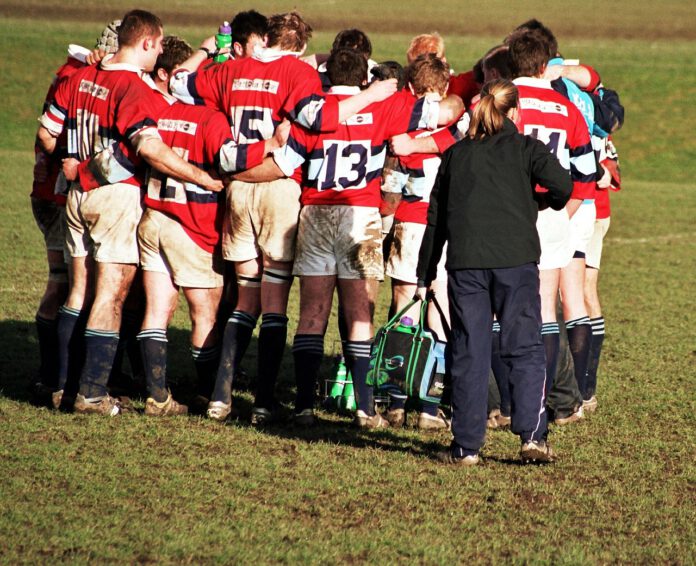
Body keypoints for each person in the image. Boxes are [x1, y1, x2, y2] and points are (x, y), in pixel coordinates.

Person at [170, 11, 400, 423]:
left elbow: (178, 84)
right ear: (302, 47)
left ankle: (220, 396)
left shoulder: (230, 69)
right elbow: (322, 119)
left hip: (239, 188)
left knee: (245, 296)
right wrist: (374, 93)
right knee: (275, 301)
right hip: (279, 185)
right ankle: (262, 402)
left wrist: (207, 48)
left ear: (265, 38)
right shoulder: (299, 72)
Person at [236, 48, 463, 427]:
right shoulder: (382, 108)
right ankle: (364, 408)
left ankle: (304, 406)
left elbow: (281, 166)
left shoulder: (317, 113)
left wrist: (235, 176)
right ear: (363, 80)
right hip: (359, 216)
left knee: (311, 314)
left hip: (315, 215)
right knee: (360, 314)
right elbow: (448, 112)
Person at [37, 9, 223, 416]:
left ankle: (61, 387)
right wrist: (202, 178)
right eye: (158, 46)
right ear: (147, 43)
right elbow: (150, 149)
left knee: (79, 291)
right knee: (111, 294)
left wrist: (76, 164)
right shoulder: (133, 88)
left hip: (76, 198)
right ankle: (91, 393)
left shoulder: (82, 77)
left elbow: (47, 134)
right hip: (114, 198)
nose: (159, 55)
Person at [417, 79, 572, 465]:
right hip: (515, 261)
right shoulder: (526, 148)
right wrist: (535, 200)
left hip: (466, 263)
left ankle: (466, 447)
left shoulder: (456, 155)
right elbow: (563, 187)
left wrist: (425, 271)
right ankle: (532, 438)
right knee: (523, 347)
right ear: (515, 112)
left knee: (470, 350)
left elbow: (435, 218)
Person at [507, 30, 596, 424]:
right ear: (546, 66)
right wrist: (562, 210)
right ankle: (546, 402)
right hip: (550, 215)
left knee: (499, 307)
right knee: (545, 309)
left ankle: (506, 402)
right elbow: (587, 175)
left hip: (503, 215)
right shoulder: (567, 108)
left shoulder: (498, 102)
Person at [31, 22, 121, 407]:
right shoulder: (81, 78)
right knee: (71, 286)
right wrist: (76, 167)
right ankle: (57, 380)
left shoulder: (72, 73)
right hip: (61, 193)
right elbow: (48, 136)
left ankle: (57, 380)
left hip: (55, 192)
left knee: (72, 286)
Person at [380, 54, 454, 430]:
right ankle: (428, 405)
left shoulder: (401, 122)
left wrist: (384, 226)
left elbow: (391, 186)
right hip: (442, 227)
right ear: (442, 89)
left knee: (403, 307)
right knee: (438, 310)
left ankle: (394, 401)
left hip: (409, 224)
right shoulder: (453, 125)